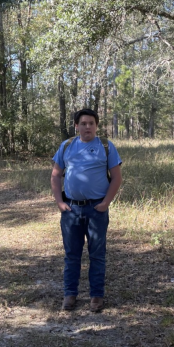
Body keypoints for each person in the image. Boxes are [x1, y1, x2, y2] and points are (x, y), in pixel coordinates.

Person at [51, 109, 122, 312]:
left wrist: (105, 203)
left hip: (96, 210)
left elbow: (117, 178)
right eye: (83, 123)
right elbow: (56, 175)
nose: (87, 127)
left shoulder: (106, 147)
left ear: (96, 126)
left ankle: (96, 297)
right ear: (76, 126)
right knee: (71, 254)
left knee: (97, 255)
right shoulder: (66, 146)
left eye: (91, 123)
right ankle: (70, 295)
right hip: (71, 209)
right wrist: (59, 202)